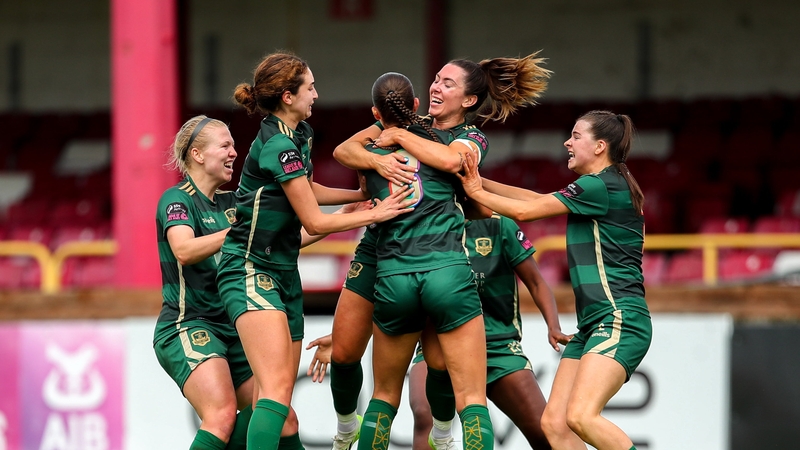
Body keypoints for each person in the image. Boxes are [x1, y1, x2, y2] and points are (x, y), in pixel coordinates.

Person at [329, 53, 551, 450]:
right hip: (420, 265)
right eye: (435, 79)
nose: (435, 86)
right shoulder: (410, 126)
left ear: (468, 101)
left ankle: (435, 432)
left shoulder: (467, 138)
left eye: (448, 83)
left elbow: (454, 162)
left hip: (403, 271)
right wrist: (379, 159)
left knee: (395, 390)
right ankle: (437, 432)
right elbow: (345, 150)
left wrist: (395, 139)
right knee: (468, 398)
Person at [217, 52, 417, 450]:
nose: (317, 94)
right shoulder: (277, 145)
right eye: (310, 87)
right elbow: (314, 221)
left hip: (283, 273)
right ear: (288, 96)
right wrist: (377, 211)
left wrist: (360, 194)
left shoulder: (300, 135)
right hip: (249, 270)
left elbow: (309, 191)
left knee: (276, 403)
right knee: (274, 393)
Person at [457, 110, 652, 450]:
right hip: (595, 324)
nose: (568, 142)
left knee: (580, 416)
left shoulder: (600, 184)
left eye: (576, 136)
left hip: (619, 318)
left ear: (600, 146)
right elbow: (536, 201)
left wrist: (474, 188)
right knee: (554, 424)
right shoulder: (600, 187)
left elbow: (524, 212)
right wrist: (477, 181)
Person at [409, 213, 572, 450]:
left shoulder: (500, 225)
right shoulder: (424, 225)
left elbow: (536, 282)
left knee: (546, 434)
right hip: (441, 344)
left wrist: (553, 325)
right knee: (425, 415)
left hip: (497, 345)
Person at [154, 115, 254, 450]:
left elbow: (281, 238)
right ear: (198, 155)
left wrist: (342, 219)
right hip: (186, 324)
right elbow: (183, 250)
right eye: (225, 145)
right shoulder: (176, 200)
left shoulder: (232, 203)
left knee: (279, 416)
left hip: (231, 327)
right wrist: (234, 233)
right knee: (223, 416)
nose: (234, 153)